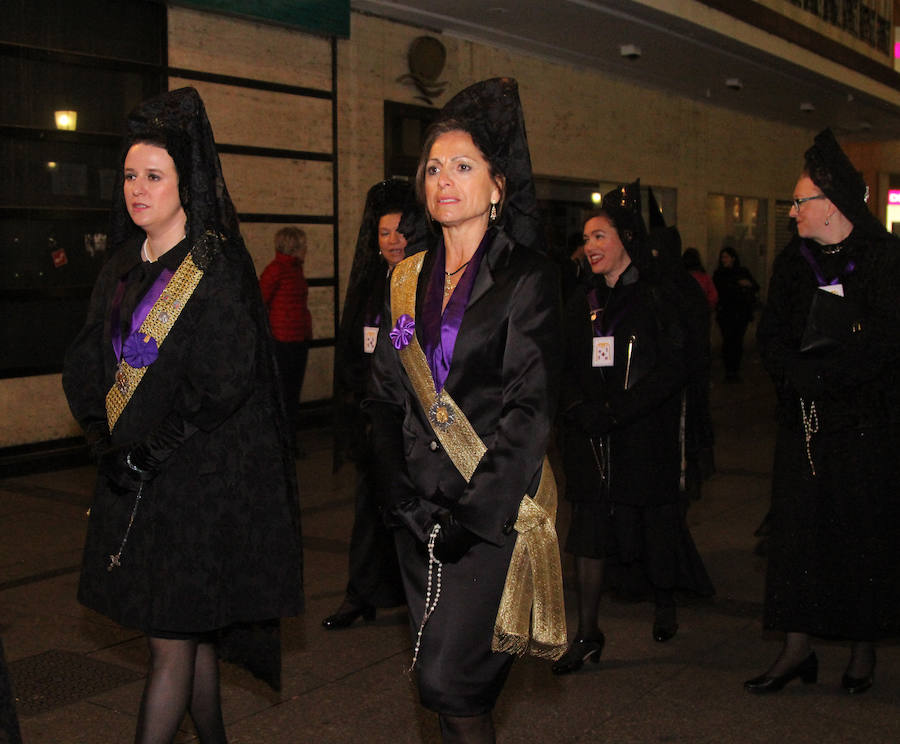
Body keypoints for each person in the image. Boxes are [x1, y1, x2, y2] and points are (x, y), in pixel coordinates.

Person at [62, 87, 303, 743]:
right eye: (131, 176)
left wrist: (156, 447)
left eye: (155, 177)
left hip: (199, 486)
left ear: (185, 183)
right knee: (184, 633)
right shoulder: (118, 265)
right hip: (134, 481)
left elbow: (226, 376)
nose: (138, 189)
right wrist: (98, 437)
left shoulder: (215, 265)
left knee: (170, 640)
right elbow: (87, 361)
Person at [365, 78, 566, 743]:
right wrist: (391, 478)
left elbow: (527, 414)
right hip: (415, 515)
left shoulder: (526, 277)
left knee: (450, 681)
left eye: (462, 166)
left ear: (497, 185)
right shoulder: (404, 278)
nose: (442, 180)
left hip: (486, 518)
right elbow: (386, 391)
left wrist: (476, 515)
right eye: (432, 167)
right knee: (446, 695)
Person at [746, 128, 900, 695]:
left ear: (830, 206)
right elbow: (772, 336)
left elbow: (888, 344)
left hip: (864, 428)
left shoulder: (884, 261)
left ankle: (863, 653)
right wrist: (795, 375)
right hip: (804, 427)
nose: (792, 212)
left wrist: (835, 378)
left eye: (799, 201)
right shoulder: (794, 264)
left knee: (862, 537)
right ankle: (795, 650)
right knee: (797, 540)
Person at [553, 183, 713, 676]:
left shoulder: (656, 297)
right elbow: (561, 362)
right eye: (586, 238)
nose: (591, 246)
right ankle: (588, 631)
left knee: (656, 524)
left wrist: (621, 410)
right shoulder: (582, 301)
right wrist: (578, 407)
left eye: (600, 235)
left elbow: (675, 369)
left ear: (625, 239)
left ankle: (665, 602)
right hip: (593, 439)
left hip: (644, 434)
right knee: (590, 532)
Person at [323, 179, 423, 629]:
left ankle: (415, 596)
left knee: (410, 513)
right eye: (384, 233)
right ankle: (359, 595)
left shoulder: (423, 285)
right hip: (371, 421)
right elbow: (350, 354)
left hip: (411, 423)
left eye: (401, 231)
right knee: (367, 512)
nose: (393, 241)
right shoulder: (367, 286)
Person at [259, 227, 313, 449]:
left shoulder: (293, 269)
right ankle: (282, 442)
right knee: (284, 394)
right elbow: (261, 302)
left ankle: (289, 440)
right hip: (282, 341)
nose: (306, 249)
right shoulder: (277, 270)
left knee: (291, 394)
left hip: (298, 339)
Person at [712, 245, 759, 382]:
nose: (723, 260)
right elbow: (722, 290)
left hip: (741, 313)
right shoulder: (719, 274)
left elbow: (755, 286)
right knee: (728, 342)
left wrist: (747, 285)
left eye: (726, 257)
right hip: (726, 313)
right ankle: (729, 371)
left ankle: (735, 370)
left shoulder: (742, 271)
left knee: (737, 342)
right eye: (722, 257)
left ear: (733, 258)